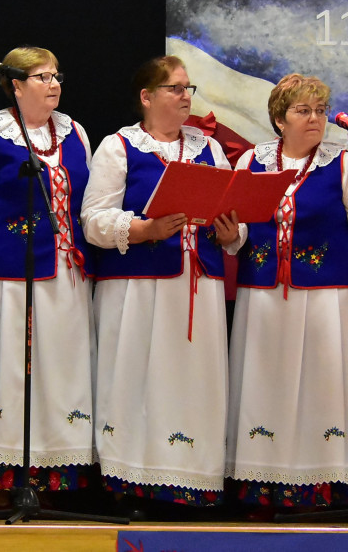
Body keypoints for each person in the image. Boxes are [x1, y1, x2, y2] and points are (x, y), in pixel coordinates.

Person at [81, 55, 241, 514]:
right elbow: (93, 220)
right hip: (138, 288)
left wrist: (234, 234)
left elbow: (231, 214)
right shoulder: (119, 146)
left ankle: (192, 485)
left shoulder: (207, 149)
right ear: (146, 97)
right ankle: (134, 485)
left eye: (189, 88)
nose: (186, 96)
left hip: (196, 283)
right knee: (138, 379)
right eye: (175, 88)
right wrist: (144, 229)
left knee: (192, 381)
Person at [225, 73, 348, 517]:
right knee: (265, 385)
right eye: (302, 111)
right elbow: (240, 228)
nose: (314, 119)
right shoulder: (252, 161)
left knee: (323, 385)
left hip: (325, 295)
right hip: (265, 295)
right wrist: (232, 234)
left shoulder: (344, 164)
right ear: (278, 119)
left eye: (320, 111)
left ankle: (326, 487)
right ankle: (261, 489)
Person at [0, 46, 95, 502]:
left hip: (68, 277)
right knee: (10, 373)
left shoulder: (75, 132)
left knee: (61, 374)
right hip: (9, 276)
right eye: (41, 77)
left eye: (56, 76)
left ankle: (49, 481)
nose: (53, 84)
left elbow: (86, 206)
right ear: (16, 84)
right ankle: (2, 484)